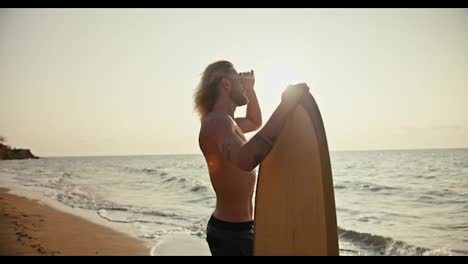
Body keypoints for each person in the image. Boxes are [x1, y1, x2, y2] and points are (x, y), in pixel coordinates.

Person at [194, 60, 309, 256]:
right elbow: (246, 160)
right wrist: (285, 106)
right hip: (232, 234)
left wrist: (250, 89)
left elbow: (255, 122)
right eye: (238, 80)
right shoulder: (218, 121)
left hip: (237, 229)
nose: (242, 85)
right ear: (226, 84)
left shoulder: (226, 121)